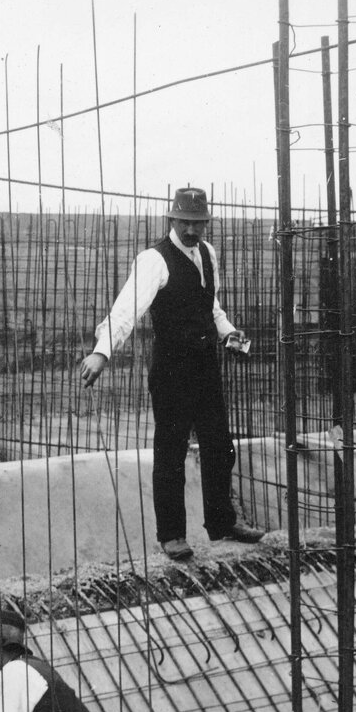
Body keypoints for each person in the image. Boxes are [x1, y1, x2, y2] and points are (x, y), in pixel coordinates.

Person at [79, 187, 264, 562]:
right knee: (171, 451)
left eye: (199, 224)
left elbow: (210, 307)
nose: (193, 231)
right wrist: (103, 352)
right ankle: (173, 536)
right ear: (172, 220)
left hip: (205, 364)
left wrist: (228, 331)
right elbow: (126, 309)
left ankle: (223, 522)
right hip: (172, 368)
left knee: (219, 446)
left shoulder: (208, 254)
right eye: (186, 223)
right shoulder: (154, 260)